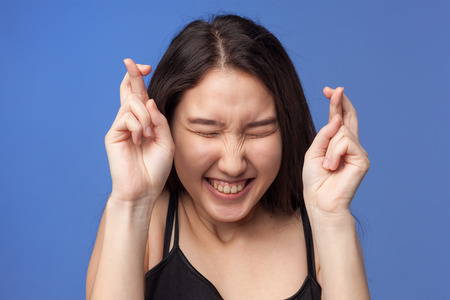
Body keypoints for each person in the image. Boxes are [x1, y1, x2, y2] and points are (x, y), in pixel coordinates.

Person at [86, 14, 370, 300]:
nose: (233, 165)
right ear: (164, 127)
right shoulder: (142, 221)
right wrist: (131, 202)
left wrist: (332, 216)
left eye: (258, 131)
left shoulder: (321, 231)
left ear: (286, 130)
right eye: (207, 132)